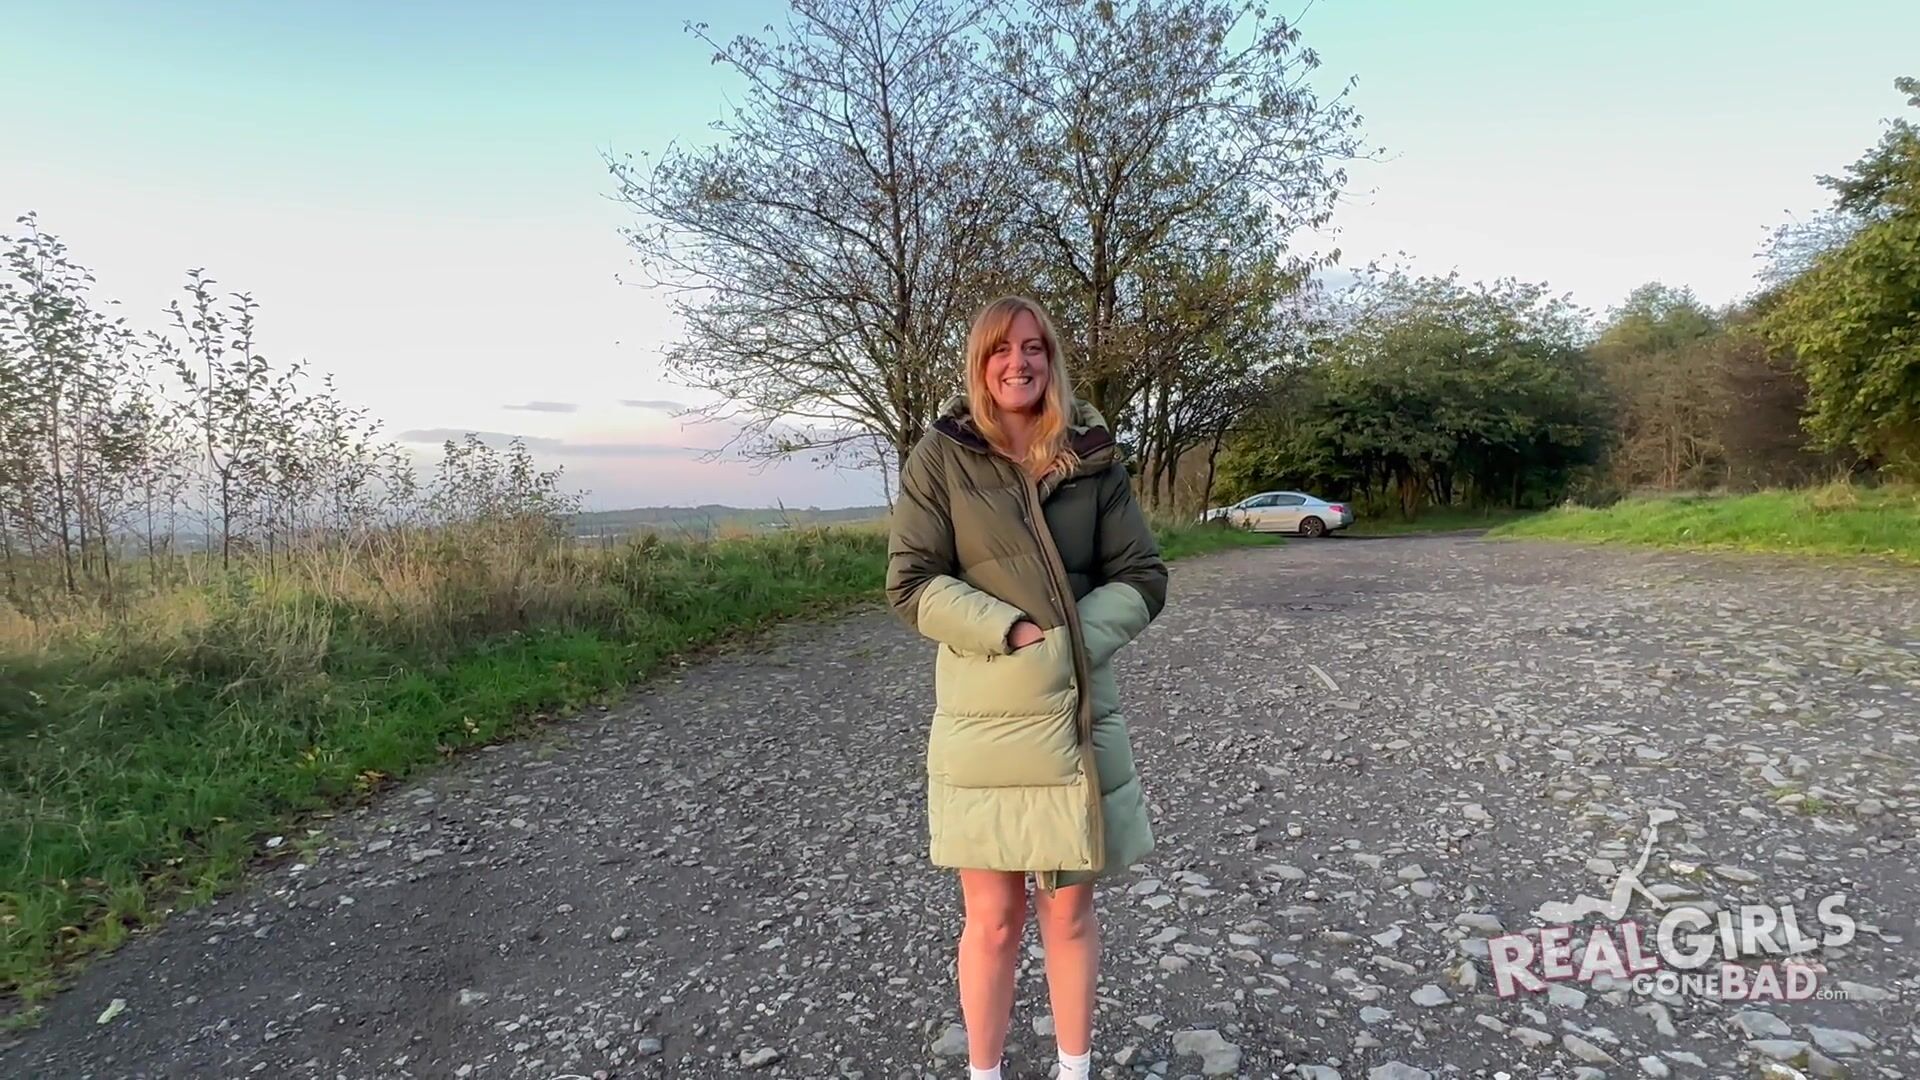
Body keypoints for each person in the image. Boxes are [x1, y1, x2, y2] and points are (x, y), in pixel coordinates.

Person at [886, 295, 1168, 1080]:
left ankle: (1075, 1071)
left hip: (1077, 715)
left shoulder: (1093, 455)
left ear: (1051, 358)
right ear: (980, 364)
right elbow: (911, 583)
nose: (1020, 362)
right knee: (994, 920)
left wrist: (1070, 644)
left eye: (1034, 347)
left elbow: (1143, 576)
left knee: (1070, 911)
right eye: (1001, 350)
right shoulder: (939, 457)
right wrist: (1013, 633)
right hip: (986, 722)